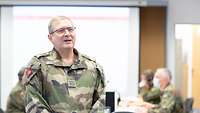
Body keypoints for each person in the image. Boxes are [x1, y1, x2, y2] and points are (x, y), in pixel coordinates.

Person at [22, 16, 105, 113]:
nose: (67, 34)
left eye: (70, 29)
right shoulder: (39, 65)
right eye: (61, 30)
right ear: (50, 37)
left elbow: (101, 102)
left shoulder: (92, 66)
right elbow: (33, 102)